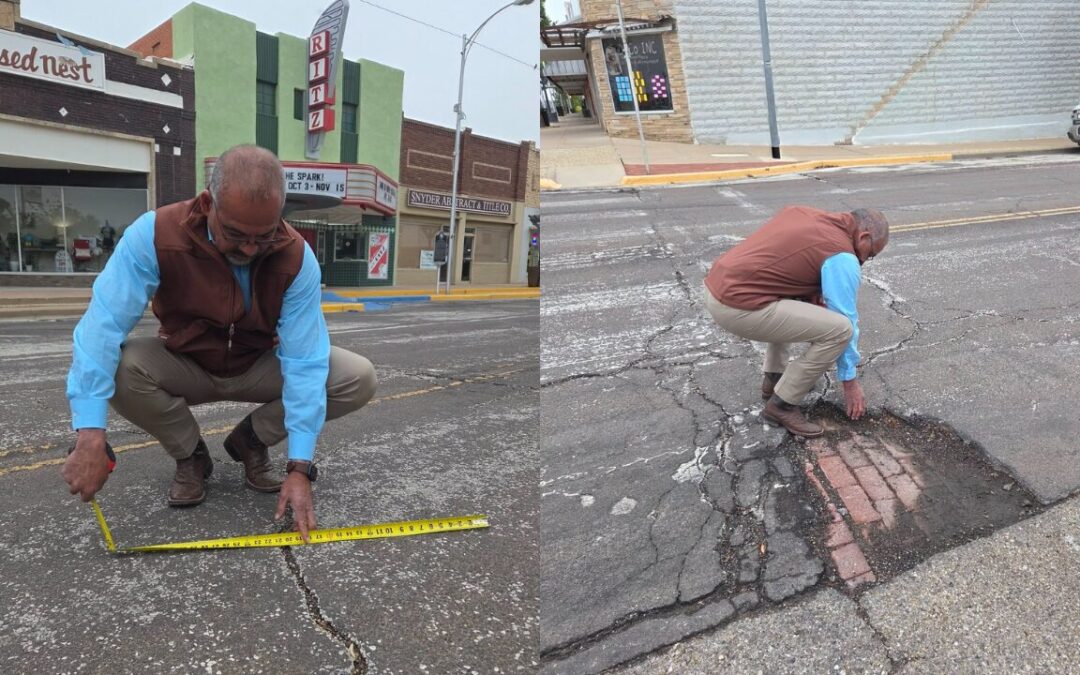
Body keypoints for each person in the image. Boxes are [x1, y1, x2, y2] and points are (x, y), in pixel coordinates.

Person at [61, 145, 377, 542]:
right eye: (236, 235)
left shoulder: (298, 258)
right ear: (209, 203)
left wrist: (299, 467)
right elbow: (101, 327)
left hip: (256, 364)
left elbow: (305, 361)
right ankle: (191, 455)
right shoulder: (154, 234)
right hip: (187, 362)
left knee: (356, 377)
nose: (249, 248)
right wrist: (90, 435)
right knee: (122, 368)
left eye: (263, 237)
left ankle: (251, 440)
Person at [703, 206, 889, 438]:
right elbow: (845, 317)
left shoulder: (807, 214)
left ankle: (775, 378)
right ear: (864, 236)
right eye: (870, 254)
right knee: (840, 330)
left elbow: (791, 274)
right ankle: (782, 406)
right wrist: (849, 381)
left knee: (790, 298)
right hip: (736, 306)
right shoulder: (842, 256)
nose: (864, 260)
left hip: (718, 288)